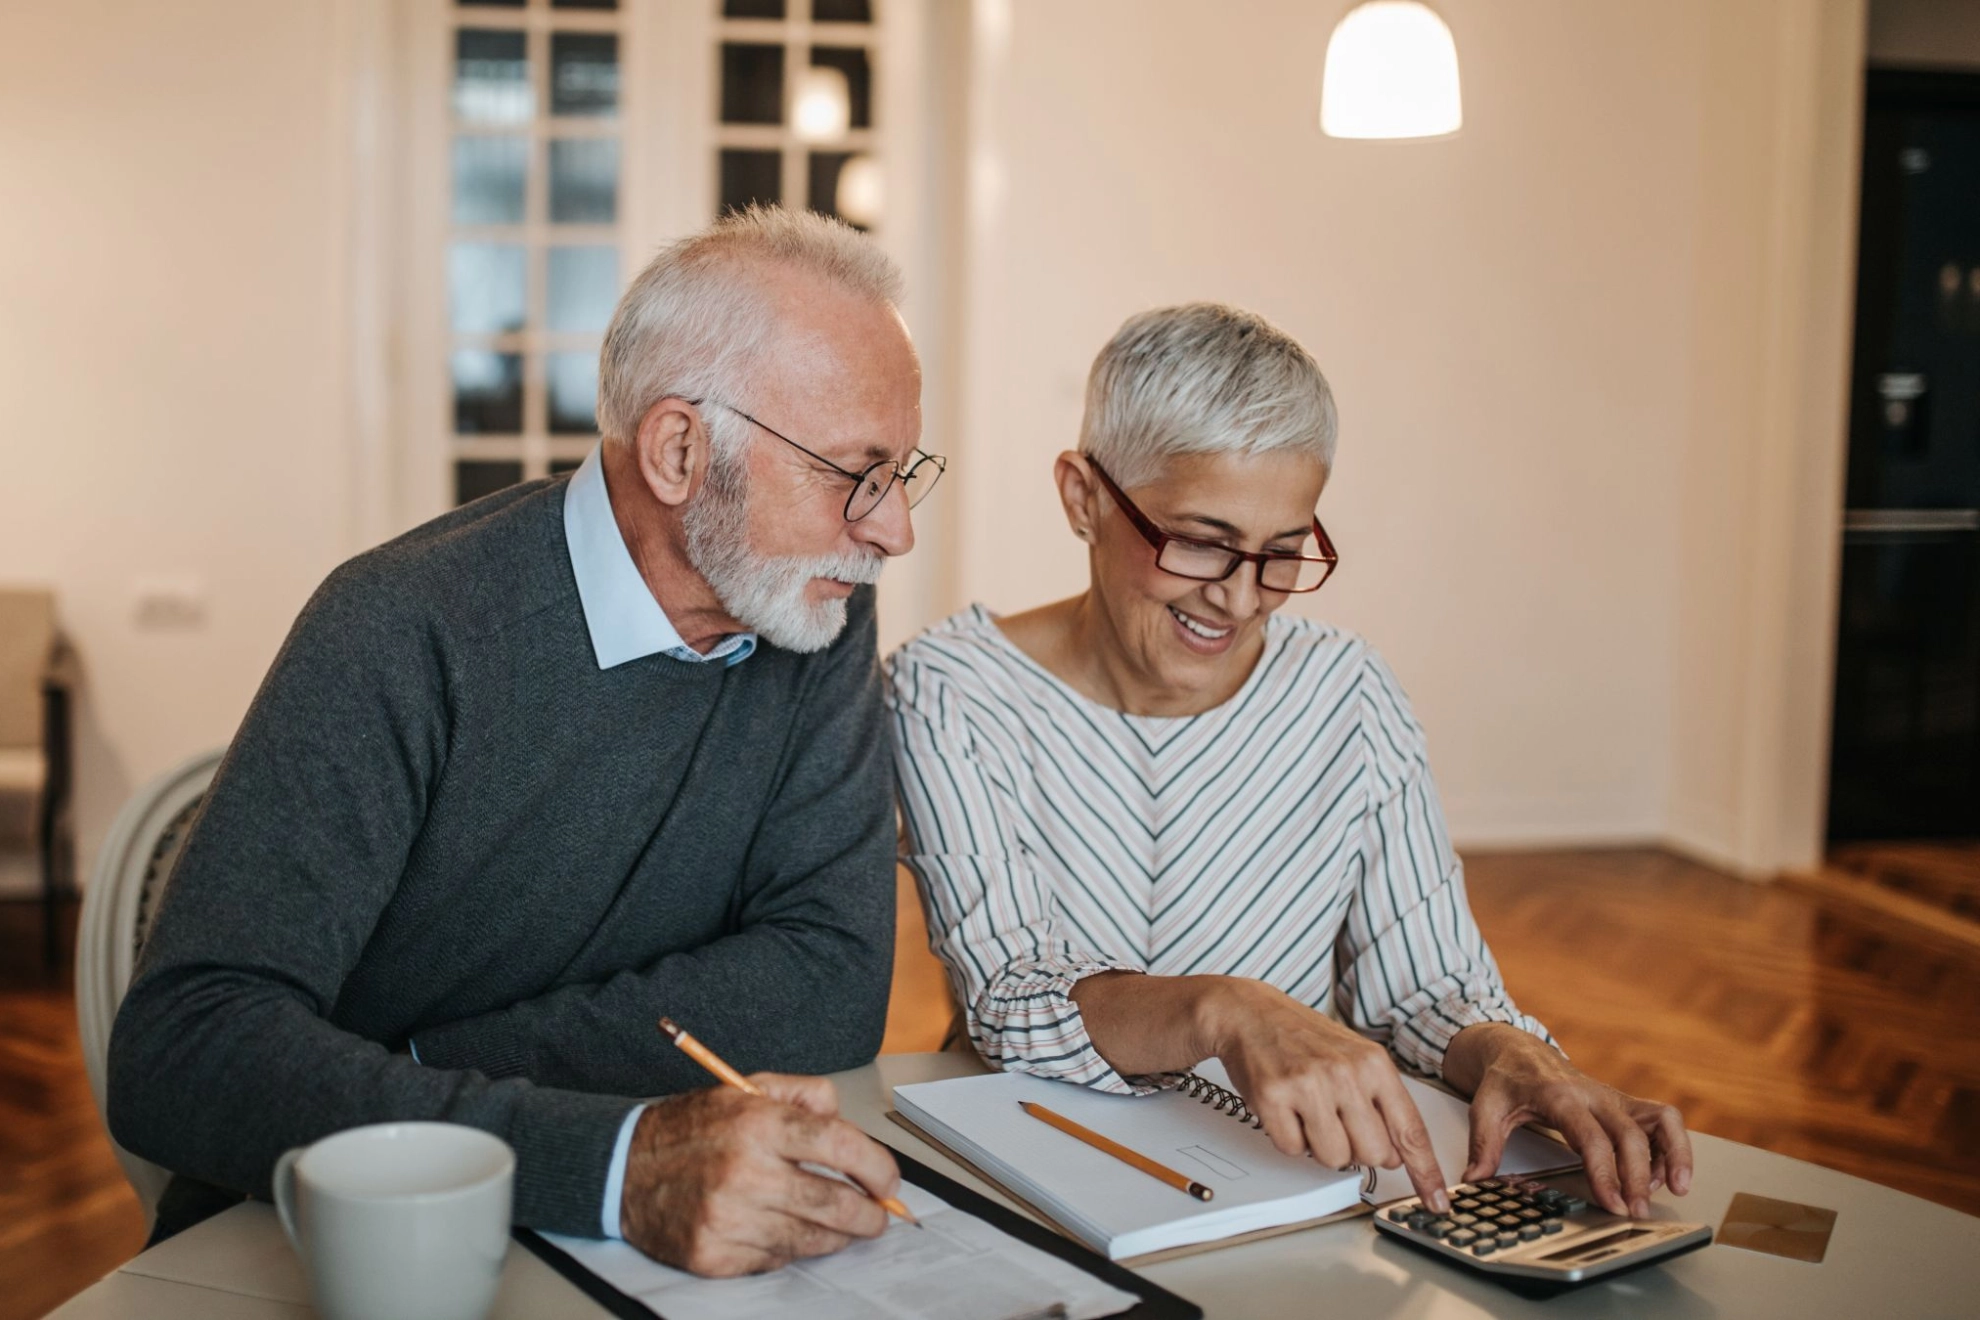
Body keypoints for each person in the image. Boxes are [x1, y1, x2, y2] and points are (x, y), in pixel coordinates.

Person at [108, 206, 946, 1277]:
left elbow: (827, 987)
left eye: (904, 474)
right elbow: (185, 1050)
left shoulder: (813, 610)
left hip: (623, 1235)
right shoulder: (402, 628)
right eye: (854, 474)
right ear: (681, 449)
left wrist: (413, 1073)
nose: (893, 532)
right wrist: (610, 1157)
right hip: (343, 1246)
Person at [887, 303, 1690, 1221]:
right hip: (1038, 1171)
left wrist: (1516, 1054)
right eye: (1199, 541)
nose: (1238, 599)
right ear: (1083, 497)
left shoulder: (1348, 693)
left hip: (1296, 1180)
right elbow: (1010, 998)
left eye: (1281, 553)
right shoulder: (951, 689)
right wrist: (1226, 1011)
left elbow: (1426, 988)